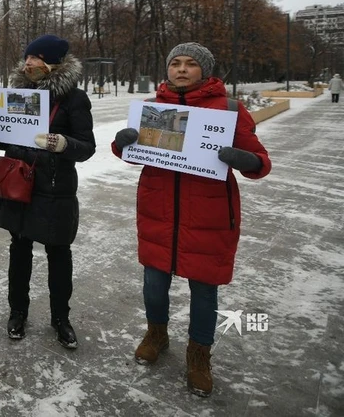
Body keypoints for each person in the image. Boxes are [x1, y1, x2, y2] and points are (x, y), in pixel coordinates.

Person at [112, 42, 271, 397]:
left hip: (209, 214)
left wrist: (246, 160)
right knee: (154, 284)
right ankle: (156, 334)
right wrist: (121, 144)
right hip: (159, 211)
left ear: (206, 70)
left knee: (204, 290)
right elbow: (133, 153)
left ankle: (199, 354)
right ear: (167, 69)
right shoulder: (152, 108)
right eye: (175, 64)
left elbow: (261, 160)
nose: (181, 70)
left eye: (190, 64)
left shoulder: (228, 109)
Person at [0, 34, 96, 349]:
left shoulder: (74, 99)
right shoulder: (18, 93)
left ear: (55, 63)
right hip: (20, 187)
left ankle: (61, 318)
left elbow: (87, 147)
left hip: (55, 191)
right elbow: (8, 138)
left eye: (37, 57)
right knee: (19, 251)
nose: (29, 63)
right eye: (28, 57)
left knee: (58, 254)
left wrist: (62, 143)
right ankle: (18, 312)